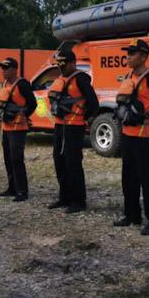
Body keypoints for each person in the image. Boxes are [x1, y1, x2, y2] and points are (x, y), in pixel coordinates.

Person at [112, 38, 149, 236]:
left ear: (144, 56)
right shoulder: (129, 76)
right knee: (128, 178)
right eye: (128, 53)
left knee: (148, 180)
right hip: (128, 136)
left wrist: (146, 118)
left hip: (146, 137)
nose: (128, 56)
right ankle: (131, 215)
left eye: (132, 53)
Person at [46, 50, 99, 214]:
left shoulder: (81, 79)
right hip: (60, 125)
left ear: (72, 63)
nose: (61, 68)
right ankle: (64, 197)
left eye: (64, 64)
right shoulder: (60, 79)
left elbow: (94, 103)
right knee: (59, 160)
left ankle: (78, 201)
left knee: (73, 163)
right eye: (59, 64)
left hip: (74, 127)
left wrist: (83, 117)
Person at [0, 57, 36, 202]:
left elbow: (33, 103)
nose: (3, 71)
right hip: (5, 126)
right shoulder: (4, 83)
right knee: (8, 158)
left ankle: (22, 191)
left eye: (6, 68)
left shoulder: (22, 84)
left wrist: (24, 115)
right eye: (2, 68)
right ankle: (12, 188)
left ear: (14, 69)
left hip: (18, 128)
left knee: (16, 159)